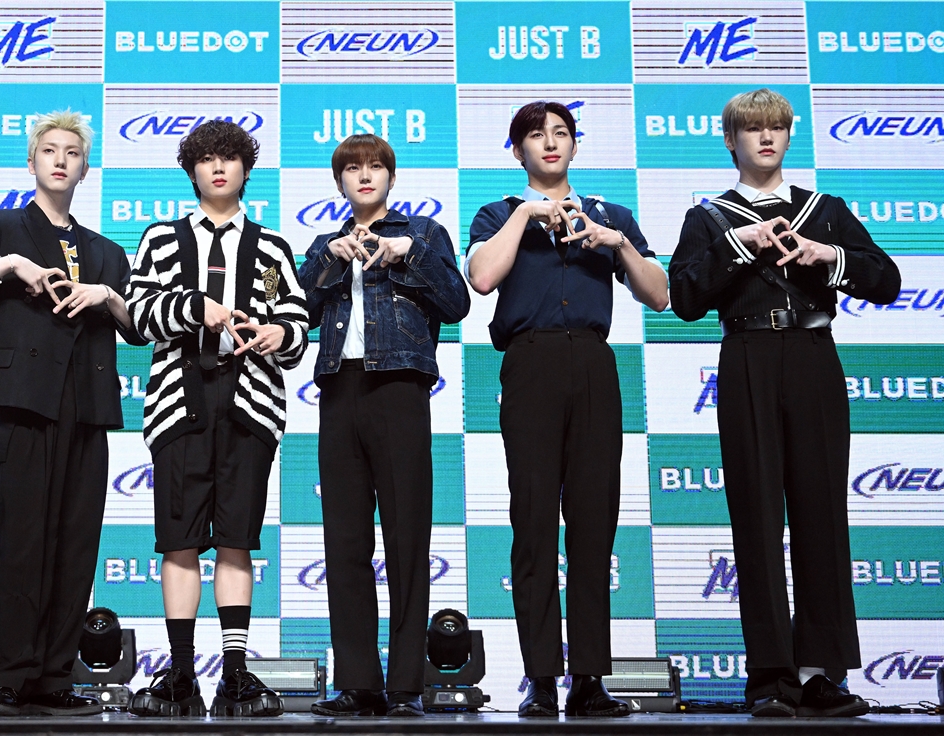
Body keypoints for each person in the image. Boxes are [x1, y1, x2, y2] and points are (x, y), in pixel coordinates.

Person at [668, 88, 900, 718]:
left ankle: (822, 673)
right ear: (730, 141)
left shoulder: (825, 210)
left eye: (776, 127)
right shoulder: (709, 217)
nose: (766, 137)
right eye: (752, 129)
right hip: (746, 355)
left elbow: (887, 281)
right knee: (756, 515)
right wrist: (740, 244)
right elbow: (683, 299)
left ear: (790, 136)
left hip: (813, 354)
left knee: (822, 511)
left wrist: (830, 256)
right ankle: (771, 675)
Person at [0, 110, 145, 716]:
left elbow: (137, 328)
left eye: (72, 152)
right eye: (49, 150)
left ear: (85, 168)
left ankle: (54, 677)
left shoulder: (106, 251)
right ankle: (13, 677)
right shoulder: (1, 225)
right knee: (24, 539)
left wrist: (108, 296)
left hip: (88, 405)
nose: (60, 160)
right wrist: (8, 266)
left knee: (77, 543)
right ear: (31, 161)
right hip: (26, 400)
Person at [465, 101, 669, 718]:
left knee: (593, 524)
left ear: (576, 146)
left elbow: (659, 295)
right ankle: (540, 679)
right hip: (529, 362)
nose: (550, 143)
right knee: (532, 523)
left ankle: (588, 679)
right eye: (536, 135)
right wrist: (526, 215)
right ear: (517, 150)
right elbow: (481, 278)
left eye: (561, 133)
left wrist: (616, 243)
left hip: (594, 364)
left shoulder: (611, 215)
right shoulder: (498, 212)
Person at [125, 120, 309, 718]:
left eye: (230, 157)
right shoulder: (161, 239)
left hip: (250, 406)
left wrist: (278, 333)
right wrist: (193, 308)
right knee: (179, 542)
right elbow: (137, 318)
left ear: (246, 169)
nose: (219, 167)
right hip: (177, 404)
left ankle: (234, 674)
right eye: (206, 159)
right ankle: (181, 674)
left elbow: (296, 325)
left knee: (236, 541)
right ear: (192, 171)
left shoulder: (272, 246)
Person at [298, 134, 470, 717]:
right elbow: (299, 307)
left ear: (391, 178)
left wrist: (407, 254)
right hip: (339, 389)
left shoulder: (423, 233)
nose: (365, 176)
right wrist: (331, 258)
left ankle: (405, 687)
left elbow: (457, 303)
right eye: (353, 169)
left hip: (399, 387)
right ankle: (357, 682)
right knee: (344, 541)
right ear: (339, 182)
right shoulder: (324, 243)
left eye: (375, 167)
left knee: (406, 538)